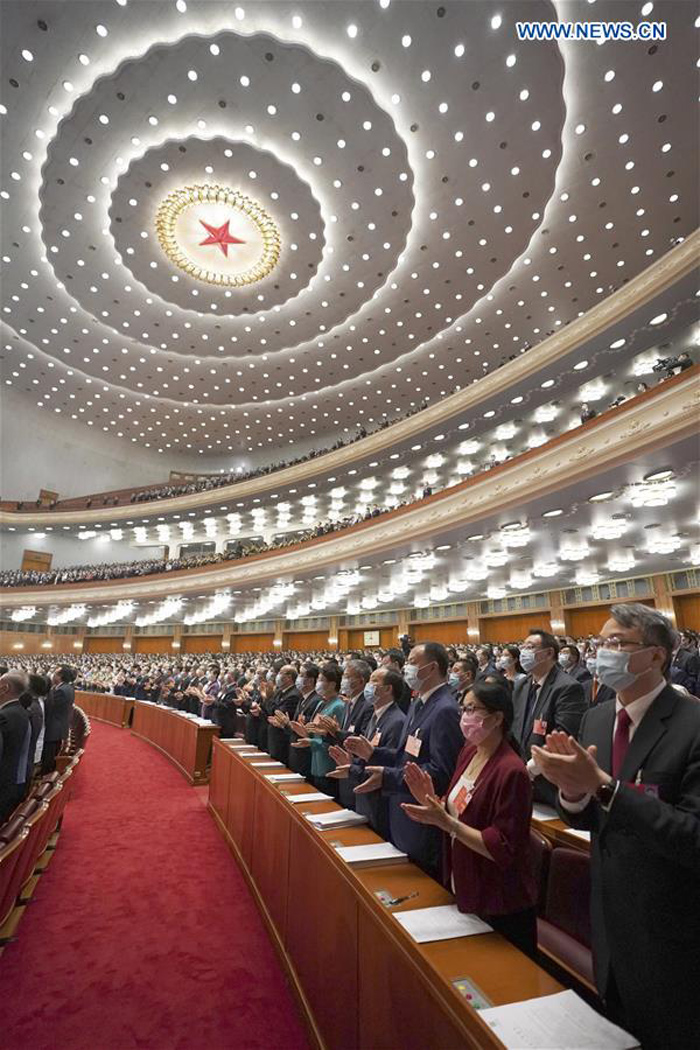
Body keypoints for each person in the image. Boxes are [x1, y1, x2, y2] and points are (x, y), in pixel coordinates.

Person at [532, 604, 700, 1050]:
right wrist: (571, 792)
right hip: (609, 917)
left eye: (617, 643)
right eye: (599, 642)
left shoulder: (693, 724)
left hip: (673, 934)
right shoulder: (598, 717)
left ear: (656, 656)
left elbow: (692, 836)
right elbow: (589, 816)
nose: (601, 652)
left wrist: (604, 789)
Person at [401, 681, 538, 956]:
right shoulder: (469, 751)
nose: (464, 717)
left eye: (472, 709)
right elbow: (459, 810)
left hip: (498, 900)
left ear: (497, 717)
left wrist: (447, 823)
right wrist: (433, 801)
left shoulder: (511, 771)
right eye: (464, 708)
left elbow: (502, 846)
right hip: (463, 880)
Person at [346, 643, 463, 878]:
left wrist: (388, 776)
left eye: (411, 662)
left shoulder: (445, 709)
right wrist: (373, 754)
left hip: (421, 817)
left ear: (431, 668)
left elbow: (440, 772)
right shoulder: (418, 703)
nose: (406, 668)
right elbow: (407, 755)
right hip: (401, 809)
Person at [513, 630, 586, 804]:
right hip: (518, 780)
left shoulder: (568, 687)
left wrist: (529, 770)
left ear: (549, 653)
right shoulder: (521, 685)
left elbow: (563, 736)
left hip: (548, 783)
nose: (524, 652)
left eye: (530, 647)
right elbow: (513, 727)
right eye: (523, 647)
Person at [330, 667, 407, 829]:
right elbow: (365, 754)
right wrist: (352, 762)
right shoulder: (376, 715)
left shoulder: (397, 721)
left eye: (374, 681)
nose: (368, 685)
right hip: (365, 795)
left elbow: (388, 765)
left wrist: (353, 769)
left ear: (388, 689)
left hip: (378, 799)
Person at [291, 663, 345, 797]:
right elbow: (314, 730)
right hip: (315, 761)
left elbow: (335, 739)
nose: (317, 683)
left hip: (328, 763)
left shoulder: (339, 706)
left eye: (321, 680)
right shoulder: (321, 703)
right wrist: (305, 732)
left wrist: (312, 742)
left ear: (332, 684)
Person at [0, 671, 31, 822]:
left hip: (4, 784)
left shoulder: (5, 716)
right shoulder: (21, 711)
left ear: (4, 688)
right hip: (13, 780)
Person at [41, 666, 76, 773]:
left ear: (60, 676)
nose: (52, 675)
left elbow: (50, 706)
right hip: (59, 726)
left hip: (54, 728)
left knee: (49, 757)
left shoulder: (61, 690)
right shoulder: (66, 687)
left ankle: (44, 779)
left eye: (55, 673)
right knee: (50, 755)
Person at [266, 665, 302, 764]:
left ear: (289, 677)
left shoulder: (294, 694)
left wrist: (270, 702)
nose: (277, 675)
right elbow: (269, 708)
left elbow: (278, 713)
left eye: (281, 673)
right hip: (273, 738)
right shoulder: (279, 691)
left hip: (282, 740)